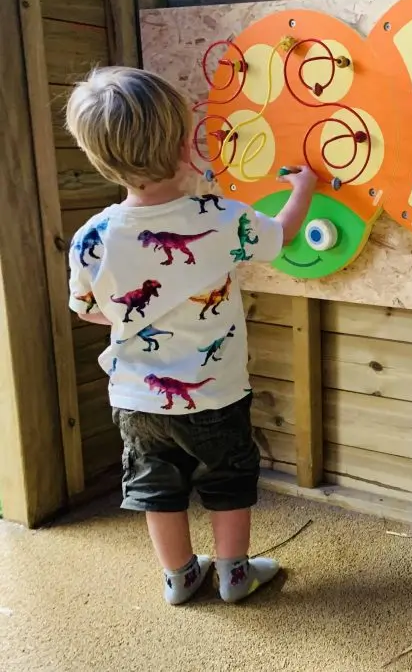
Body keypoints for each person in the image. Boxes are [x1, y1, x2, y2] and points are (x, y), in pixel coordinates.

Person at [65, 67, 317, 605]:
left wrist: (140, 315)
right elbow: (283, 233)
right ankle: (233, 575)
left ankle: (179, 578)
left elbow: (89, 311)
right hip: (214, 393)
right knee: (228, 479)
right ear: (185, 145)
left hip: (136, 398)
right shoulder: (221, 217)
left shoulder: (93, 237)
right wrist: (304, 187)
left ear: (98, 157)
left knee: (159, 487)